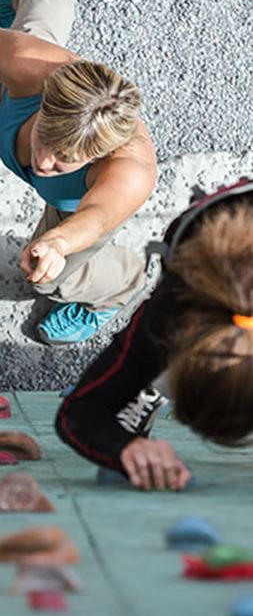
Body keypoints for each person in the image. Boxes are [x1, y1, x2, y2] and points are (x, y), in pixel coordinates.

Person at [0, 0, 156, 345]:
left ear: (99, 156)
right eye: (45, 139)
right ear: (46, 100)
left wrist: (57, 242)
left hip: (71, 211)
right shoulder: (31, 68)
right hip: (29, 83)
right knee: (31, 45)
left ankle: (121, 286)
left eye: (65, 160)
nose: (43, 163)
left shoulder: (131, 170)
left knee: (51, 278)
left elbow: (96, 215)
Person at [55, 178, 253, 491]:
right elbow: (79, 411)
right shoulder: (170, 312)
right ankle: (148, 387)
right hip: (207, 238)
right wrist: (125, 448)